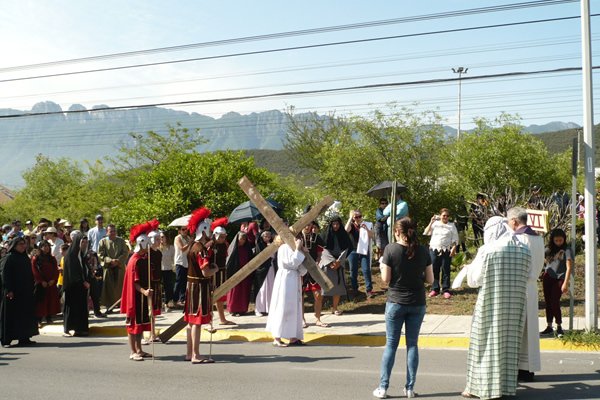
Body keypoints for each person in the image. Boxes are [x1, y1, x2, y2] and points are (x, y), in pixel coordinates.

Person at [460, 216, 531, 399]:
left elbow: (475, 280)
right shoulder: (524, 249)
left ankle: (479, 388)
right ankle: (505, 387)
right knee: (508, 344)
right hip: (514, 306)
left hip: (490, 304)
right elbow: (528, 275)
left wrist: (468, 269)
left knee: (483, 344)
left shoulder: (488, 249)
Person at [372, 217, 433, 399]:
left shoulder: (391, 249)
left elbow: (385, 279)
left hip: (396, 302)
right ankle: (409, 388)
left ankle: (383, 388)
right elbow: (430, 280)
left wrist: (383, 263)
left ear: (398, 231)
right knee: (412, 345)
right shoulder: (423, 250)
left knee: (391, 344)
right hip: (417, 302)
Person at [507, 207, 545, 382]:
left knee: (518, 330)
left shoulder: (518, 238)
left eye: (509, 221)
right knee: (530, 330)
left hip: (519, 286)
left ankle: (517, 368)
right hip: (532, 285)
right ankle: (528, 368)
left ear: (514, 221)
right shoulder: (538, 238)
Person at [121, 220, 157, 361]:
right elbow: (134, 282)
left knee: (140, 325)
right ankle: (133, 351)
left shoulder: (144, 258)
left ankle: (140, 350)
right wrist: (144, 292)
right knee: (133, 326)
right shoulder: (135, 260)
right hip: (135, 297)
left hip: (141, 296)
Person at [184, 207, 216, 364]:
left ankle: (189, 353)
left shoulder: (191, 246)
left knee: (190, 322)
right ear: (203, 232)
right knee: (196, 322)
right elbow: (205, 272)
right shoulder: (200, 250)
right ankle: (196, 355)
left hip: (190, 286)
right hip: (199, 288)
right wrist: (215, 269)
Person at [266, 236, 307, 347]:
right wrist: (298, 249)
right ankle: (277, 337)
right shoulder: (284, 247)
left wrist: (302, 251)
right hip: (285, 279)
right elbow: (291, 262)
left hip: (293, 278)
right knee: (283, 306)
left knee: (293, 308)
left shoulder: (293, 248)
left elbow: (301, 267)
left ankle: (293, 337)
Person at [0, 237, 38, 347]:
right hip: (13, 293)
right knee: (11, 315)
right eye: (20, 244)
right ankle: (6, 339)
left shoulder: (25, 258)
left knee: (25, 315)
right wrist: (9, 289)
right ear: (14, 245)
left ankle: (24, 337)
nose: (23, 246)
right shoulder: (8, 258)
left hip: (25, 292)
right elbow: (5, 276)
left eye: (24, 244)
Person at [540, 229, 573, 338]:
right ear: (552, 239)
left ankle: (559, 326)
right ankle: (549, 326)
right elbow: (540, 258)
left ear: (564, 239)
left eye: (560, 240)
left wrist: (566, 283)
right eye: (556, 240)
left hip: (560, 279)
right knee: (548, 302)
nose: (558, 242)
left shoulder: (567, 250)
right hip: (548, 278)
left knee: (555, 302)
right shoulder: (548, 249)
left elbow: (569, 268)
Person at [423, 208, 459, 299]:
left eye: (447, 216)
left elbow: (455, 239)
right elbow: (426, 232)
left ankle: (445, 289)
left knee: (445, 269)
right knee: (434, 269)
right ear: (440, 216)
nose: (445, 217)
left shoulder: (452, 226)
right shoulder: (435, 224)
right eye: (444, 215)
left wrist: (454, 248)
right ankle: (435, 289)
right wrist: (431, 222)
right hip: (434, 249)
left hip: (446, 250)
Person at [320, 215, 352, 315]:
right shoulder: (324, 234)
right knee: (322, 288)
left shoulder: (344, 235)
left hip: (339, 264)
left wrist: (339, 262)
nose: (335, 226)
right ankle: (319, 309)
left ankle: (335, 308)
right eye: (333, 224)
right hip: (327, 264)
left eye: (337, 224)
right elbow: (322, 248)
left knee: (337, 287)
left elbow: (348, 248)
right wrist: (330, 262)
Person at [62, 231, 91, 337]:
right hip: (72, 287)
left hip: (81, 287)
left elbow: (84, 269)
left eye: (86, 242)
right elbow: (72, 272)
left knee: (80, 308)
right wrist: (83, 282)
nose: (84, 244)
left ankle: (80, 329)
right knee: (71, 308)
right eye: (82, 242)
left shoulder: (81, 255)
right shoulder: (71, 255)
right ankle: (67, 329)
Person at [301, 221, 328, 327]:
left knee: (318, 295)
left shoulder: (316, 237)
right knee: (301, 296)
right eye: (306, 224)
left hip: (313, 269)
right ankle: (302, 319)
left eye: (309, 225)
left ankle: (318, 319)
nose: (307, 226)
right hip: (301, 269)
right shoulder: (298, 237)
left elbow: (319, 254)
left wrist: (317, 261)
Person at [208, 217, 235, 325]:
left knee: (220, 297)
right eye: (221, 236)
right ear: (215, 235)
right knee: (210, 296)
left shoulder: (225, 244)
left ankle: (222, 319)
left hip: (222, 272)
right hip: (212, 273)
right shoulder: (210, 245)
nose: (223, 238)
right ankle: (208, 320)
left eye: (224, 237)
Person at [98, 224, 129, 313]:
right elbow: (100, 254)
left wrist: (118, 261)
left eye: (114, 231)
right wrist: (110, 261)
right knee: (109, 288)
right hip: (109, 268)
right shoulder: (102, 242)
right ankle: (109, 306)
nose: (113, 233)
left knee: (121, 286)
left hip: (120, 267)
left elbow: (125, 252)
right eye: (111, 231)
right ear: (107, 232)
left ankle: (122, 305)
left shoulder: (121, 241)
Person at [345, 209, 375, 298]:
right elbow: (346, 229)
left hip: (364, 250)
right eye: (356, 217)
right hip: (353, 250)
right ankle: (355, 289)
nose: (358, 218)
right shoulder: (351, 225)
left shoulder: (367, 224)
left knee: (366, 270)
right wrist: (351, 218)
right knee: (353, 270)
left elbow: (372, 236)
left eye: (359, 216)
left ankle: (369, 290)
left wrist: (366, 229)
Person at [31, 240, 61, 325]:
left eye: (47, 246)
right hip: (41, 284)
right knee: (41, 302)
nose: (46, 248)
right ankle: (39, 320)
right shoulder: (36, 258)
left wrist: (53, 280)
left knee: (50, 300)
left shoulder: (52, 258)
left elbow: (56, 270)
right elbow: (34, 271)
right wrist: (41, 281)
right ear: (40, 248)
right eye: (44, 246)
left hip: (51, 283)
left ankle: (49, 317)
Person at [226, 231, 254, 316]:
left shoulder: (247, 248)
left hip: (245, 273)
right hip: (235, 273)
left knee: (244, 292)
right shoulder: (233, 249)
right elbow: (229, 262)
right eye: (241, 238)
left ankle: (242, 309)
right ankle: (233, 309)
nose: (242, 240)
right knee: (235, 292)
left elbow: (250, 258)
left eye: (244, 239)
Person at [254, 230, 276, 316]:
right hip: (261, 270)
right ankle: (258, 309)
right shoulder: (259, 245)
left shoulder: (271, 244)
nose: (267, 238)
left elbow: (273, 257)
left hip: (270, 268)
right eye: (265, 236)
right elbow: (261, 257)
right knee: (262, 289)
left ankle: (269, 308)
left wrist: (271, 248)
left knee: (270, 288)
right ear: (262, 237)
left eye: (269, 236)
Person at [173, 226, 191, 306]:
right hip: (180, 262)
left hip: (187, 262)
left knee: (184, 282)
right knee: (178, 281)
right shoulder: (177, 238)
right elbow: (182, 248)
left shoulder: (188, 238)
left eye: (186, 229)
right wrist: (189, 243)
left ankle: (182, 299)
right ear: (179, 231)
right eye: (183, 229)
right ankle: (175, 299)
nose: (185, 231)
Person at [159, 232, 176, 309]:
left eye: (163, 237)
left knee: (168, 286)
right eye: (160, 237)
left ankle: (168, 302)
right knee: (159, 287)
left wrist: (174, 266)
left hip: (168, 269)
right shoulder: (158, 248)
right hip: (160, 269)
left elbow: (173, 258)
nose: (161, 238)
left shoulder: (171, 247)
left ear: (166, 238)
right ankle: (159, 303)